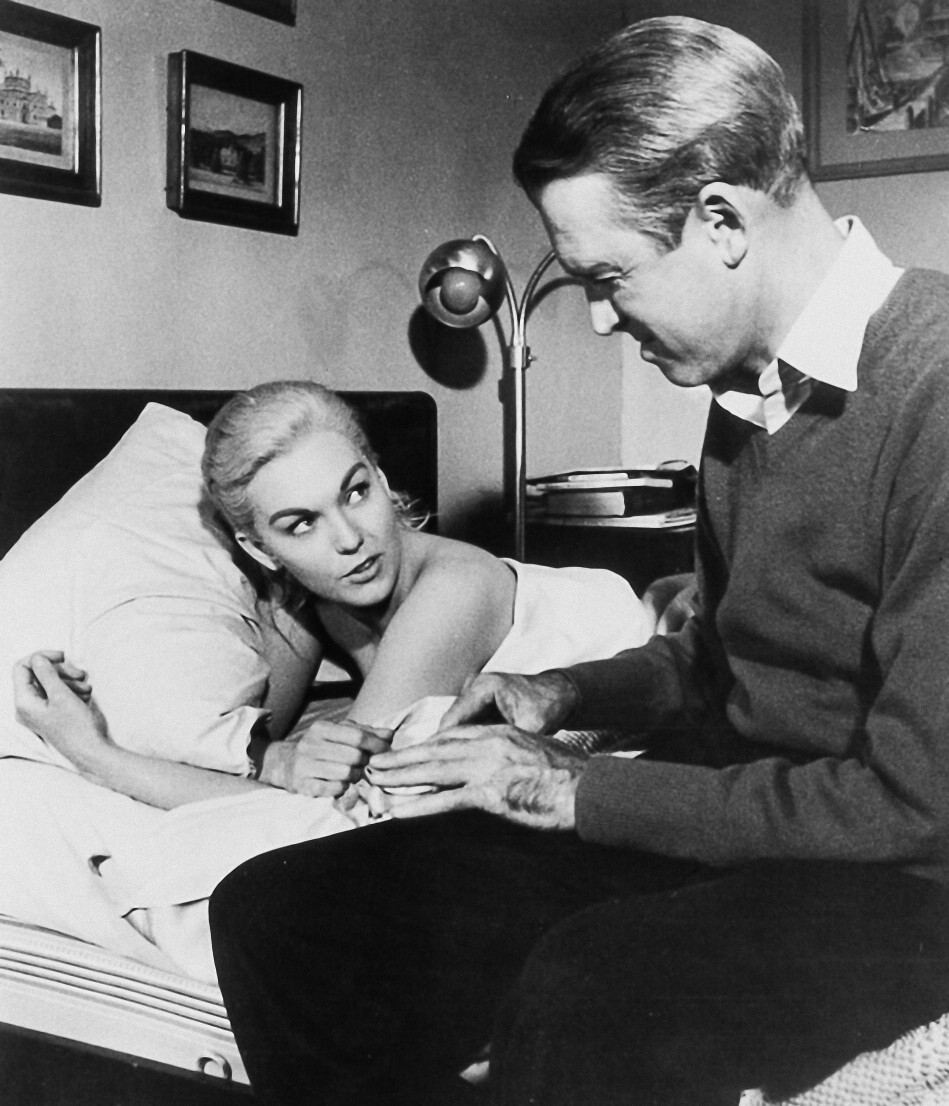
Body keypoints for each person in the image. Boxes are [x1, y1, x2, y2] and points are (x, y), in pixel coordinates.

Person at [207, 16, 949, 1106]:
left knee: (588, 984)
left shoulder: (932, 386)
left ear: (721, 222)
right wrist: (558, 696)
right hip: (741, 816)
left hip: (902, 881)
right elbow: (715, 657)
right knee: (279, 909)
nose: (597, 318)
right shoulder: (749, 388)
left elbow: (914, 803)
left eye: (609, 276)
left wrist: (571, 789)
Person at [10, 380, 652, 980]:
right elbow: (263, 761)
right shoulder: (313, 602)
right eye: (301, 524)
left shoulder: (455, 589)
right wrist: (276, 759)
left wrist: (95, 754)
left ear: (381, 477)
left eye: (355, 492)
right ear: (259, 550)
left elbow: (326, 819)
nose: (349, 539)